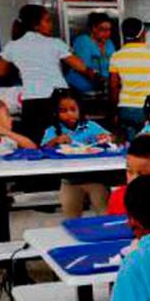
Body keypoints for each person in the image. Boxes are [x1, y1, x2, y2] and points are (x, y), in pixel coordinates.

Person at [0, 4, 97, 140]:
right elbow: (81, 67)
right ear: (36, 25)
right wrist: (96, 76)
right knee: (62, 140)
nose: (51, 25)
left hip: (31, 101)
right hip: (58, 99)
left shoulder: (13, 45)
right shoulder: (55, 43)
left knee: (35, 141)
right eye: (47, 21)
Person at [41, 89, 112, 217]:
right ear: (55, 113)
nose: (69, 114)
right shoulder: (53, 130)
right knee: (71, 218)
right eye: (63, 111)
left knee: (105, 214)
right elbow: (42, 150)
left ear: (80, 110)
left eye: (73, 109)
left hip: (95, 178)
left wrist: (105, 138)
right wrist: (55, 141)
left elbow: (113, 139)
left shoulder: (91, 126)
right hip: (69, 180)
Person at [109, 17, 150, 142]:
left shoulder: (116, 56)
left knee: (130, 145)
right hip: (148, 109)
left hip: (125, 108)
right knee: (148, 144)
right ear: (142, 33)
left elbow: (113, 87)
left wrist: (114, 111)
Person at [65, 12, 115, 94]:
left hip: (101, 89)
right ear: (94, 28)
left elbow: (113, 65)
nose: (107, 33)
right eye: (103, 29)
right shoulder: (83, 41)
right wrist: (104, 81)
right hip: (79, 88)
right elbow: (84, 68)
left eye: (109, 30)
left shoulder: (109, 43)